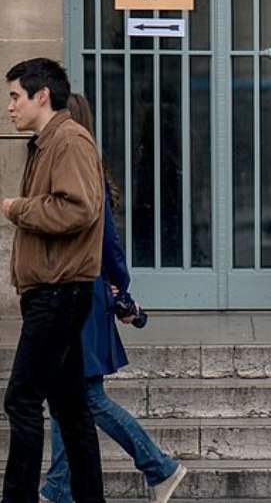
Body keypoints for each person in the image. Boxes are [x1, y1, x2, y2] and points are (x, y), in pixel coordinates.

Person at [40, 93, 187, 503]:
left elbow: (109, 245)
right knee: (68, 396)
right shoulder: (77, 168)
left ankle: (160, 466)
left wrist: (118, 288)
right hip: (79, 297)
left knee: (85, 397)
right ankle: (57, 488)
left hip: (83, 298)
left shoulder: (80, 172)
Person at [0, 58, 106, 503]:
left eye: (14, 96)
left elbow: (79, 208)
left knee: (22, 399)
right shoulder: (47, 143)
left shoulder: (69, 140)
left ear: (41, 96)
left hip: (60, 292)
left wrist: (18, 209)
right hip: (53, 291)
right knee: (70, 407)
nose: (9, 107)